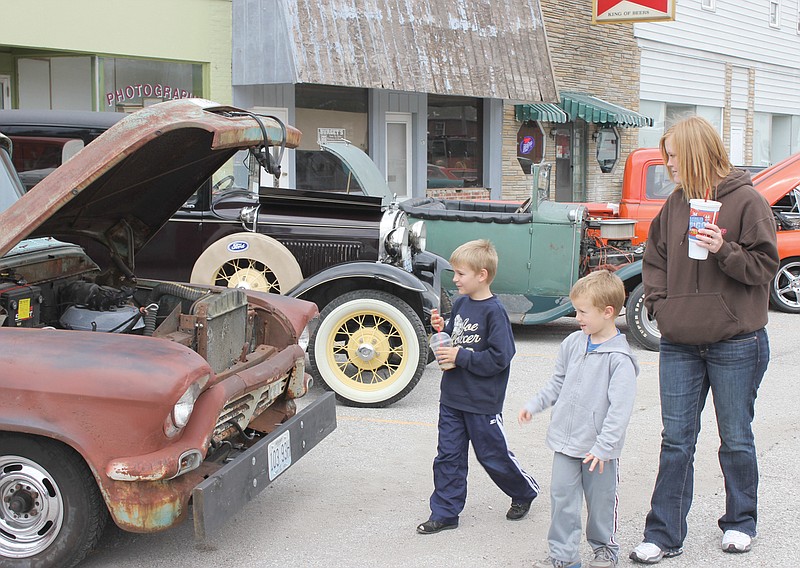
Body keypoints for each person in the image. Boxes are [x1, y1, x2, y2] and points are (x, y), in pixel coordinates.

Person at [629, 115, 780, 564]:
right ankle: (663, 534)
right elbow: (653, 259)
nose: (668, 163)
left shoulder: (747, 202)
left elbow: (764, 269)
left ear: (694, 153)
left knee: (734, 438)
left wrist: (723, 249)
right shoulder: (674, 205)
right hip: (679, 342)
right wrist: (659, 303)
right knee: (676, 440)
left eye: (672, 155)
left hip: (737, 342)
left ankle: (739, 524)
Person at [417, 239, 539, 534]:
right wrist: (441, 328)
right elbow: (453, 337)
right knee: (448, 456)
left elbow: (500, 358)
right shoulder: (460, 304)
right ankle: (445, 512)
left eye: (460, 274)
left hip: (482, 402)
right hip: (452, 398)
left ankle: (523, 492)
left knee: (492, 455)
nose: (455, 279)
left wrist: (462, 357)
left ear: (481, 275)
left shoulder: (494, 312)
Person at [519, 270, 639, 568]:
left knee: (600, 504)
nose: (577, 316)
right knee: (562, 500)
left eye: (583, 311)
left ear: (608, 312)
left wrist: (604, 446)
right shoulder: (574, 342)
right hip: (565, 442)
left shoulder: (619, 360)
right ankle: (564, 556)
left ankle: (605, 549)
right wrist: (535, 405)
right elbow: (557, 383)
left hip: (598, 451)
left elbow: (619, 410)